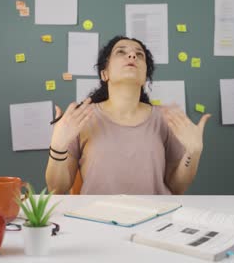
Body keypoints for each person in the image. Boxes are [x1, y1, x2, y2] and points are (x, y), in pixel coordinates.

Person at [45, 35, 210, 195]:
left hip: (156, 217)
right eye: (121, 52)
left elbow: (177, 188)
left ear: (145, 76)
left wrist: (193, 153)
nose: (132, 55)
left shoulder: (164, 119)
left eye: (139, 54)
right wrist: (58, 147)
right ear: (104, 74)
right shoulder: (81, 118)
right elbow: (56, 189)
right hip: (97, 218)